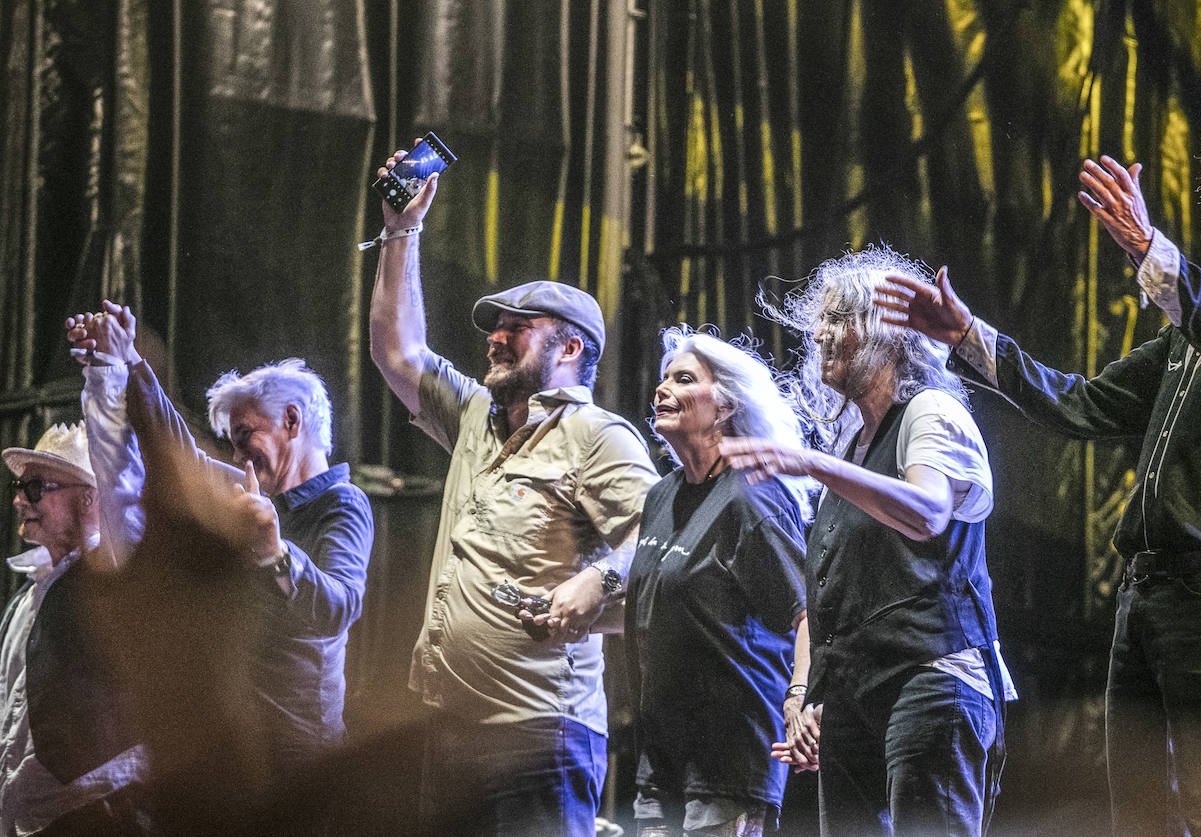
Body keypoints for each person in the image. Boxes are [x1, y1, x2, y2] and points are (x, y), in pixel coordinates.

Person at [875, 90, 1201, 836]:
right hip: (1147, 595)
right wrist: (967, 334)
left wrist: (1147, 251)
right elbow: (1084, 403)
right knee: (1137, 818)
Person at [367, 146, 659, 836]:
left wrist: (599, 579)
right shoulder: (475, 413)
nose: (495, 338)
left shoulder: (599, 435)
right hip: (448, 729)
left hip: (539, 738)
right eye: (495, 327)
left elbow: (659, 540)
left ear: (569, 349)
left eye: (515, 329)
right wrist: (399, 230)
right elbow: (397, 351)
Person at [720, 245, 1014, 836]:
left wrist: (811, 465)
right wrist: (808, 695)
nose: (822, 335)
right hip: (856, 694)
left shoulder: (929, 413)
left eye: (840, 320)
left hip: (932, 676)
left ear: (893, 333)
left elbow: (929, 511)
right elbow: (831, 596)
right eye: (820, 321)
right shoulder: (849, 449)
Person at [66, 303, 374, 779]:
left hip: (299, 761)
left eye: (246, 434)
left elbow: (337, 609)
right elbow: (181, 452)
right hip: (242, 752)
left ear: (292, 421)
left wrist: (275, 552)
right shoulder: (253, 491)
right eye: (232, 441)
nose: (238, 454)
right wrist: (128, 362)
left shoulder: (342, 503)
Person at [625, 327, 810, 837]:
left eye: (683, 379)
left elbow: (808, 613)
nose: (662, 389)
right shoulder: (661, 496)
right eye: (663, 379)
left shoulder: (752, 496)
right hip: (660, 768)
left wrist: (799, 697)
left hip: (728, 765)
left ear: (725, 406)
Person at [1, 421, 149, 836]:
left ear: (88, 499)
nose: (18, 500)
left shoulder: (115, 582)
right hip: (33, 819)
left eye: (34, 489)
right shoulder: (26, 599)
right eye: (19, 487)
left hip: (102, 814)